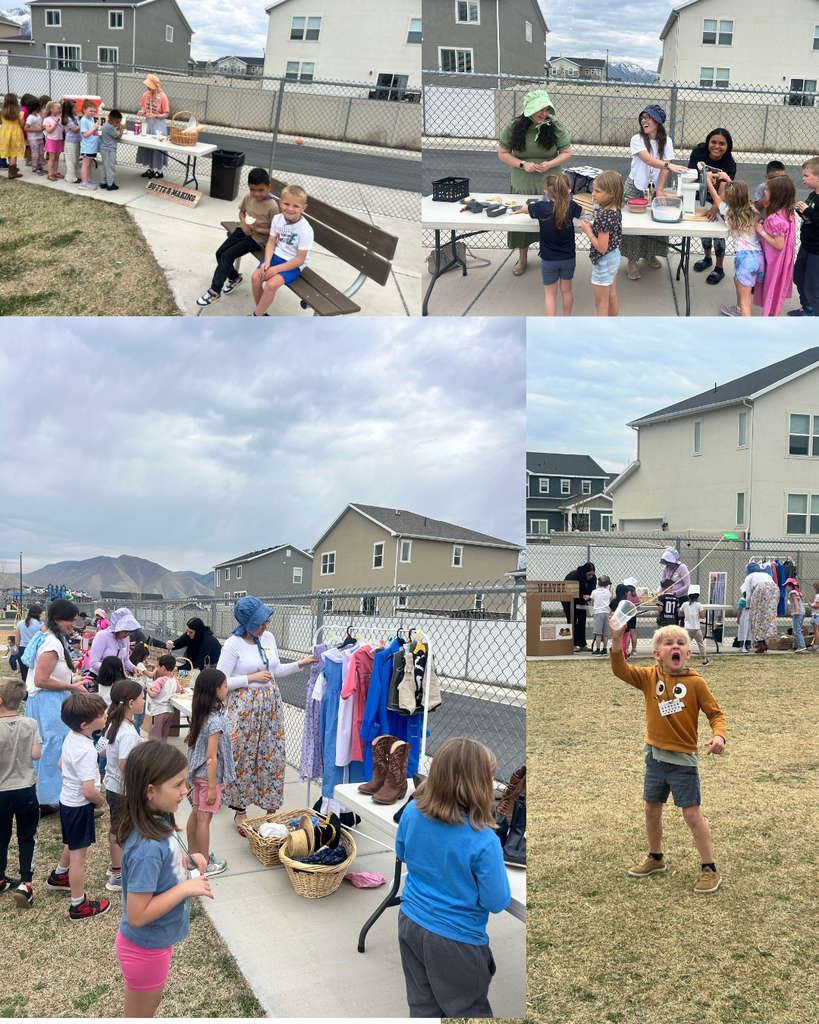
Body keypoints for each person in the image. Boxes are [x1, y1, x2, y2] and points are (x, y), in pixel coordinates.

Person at [395, 737, 510, 1018]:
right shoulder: (484, 840)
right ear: (479, 785)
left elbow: (403, 852)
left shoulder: (411, 811)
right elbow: (497, 901)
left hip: (410, 921)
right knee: (469, 1011)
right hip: (456, 942)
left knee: (423, 1007)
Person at [608, 619, 726, 894]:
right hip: (655, 759)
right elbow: (620, 670)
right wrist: (616, 640)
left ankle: (709, 868)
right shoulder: (650, 677)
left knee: (692, 814)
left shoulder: (696, 683)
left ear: (688, 653)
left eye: (681, 643)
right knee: (651, 808)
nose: (676, 646)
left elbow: (715, 714)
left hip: (683, 763)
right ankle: (655, 858)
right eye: (668, 643)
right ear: (657, 654)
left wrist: (719, 735)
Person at [115, 741, 212, 1018]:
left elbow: (162, 866)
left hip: (156, 943)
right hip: (145, 948)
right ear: (150, 791)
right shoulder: (146, 848)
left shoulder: (158, 819)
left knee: (150, 1005)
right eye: (179, 784)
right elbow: (137, 915)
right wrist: (185, 888)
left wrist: (186, 860)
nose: (186, 790)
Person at [216, 596, 316, 832]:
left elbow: (275, 670)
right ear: (246, 622)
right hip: (243, 709)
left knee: (271, 757)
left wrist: (301, 663)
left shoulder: (268, 637)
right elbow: (219, 681)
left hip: (270, 706)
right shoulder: (233, 644)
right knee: (243, 757)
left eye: (266, 621)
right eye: (260, 622)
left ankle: (271, 811)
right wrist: (250, 678)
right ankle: (241, 812)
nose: (265, 627)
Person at [497, 89, 572, 276]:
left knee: (552, 222)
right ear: (528, 109)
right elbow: (503, 153)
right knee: (523, 221)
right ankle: (522, 258)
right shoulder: (514, 126)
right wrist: (522, 164)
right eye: (540, 109)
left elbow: (566, 153)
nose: (544, 113)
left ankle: (552, 257)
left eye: (547, 109)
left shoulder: (554, 127)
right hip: (523, 183)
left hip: (551, 186)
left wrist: (549, 164)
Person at [23, 598, 89, 811]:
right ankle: (51, 798)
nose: (73, 623)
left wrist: (70, 683)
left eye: (74, 619)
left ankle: (44, 798)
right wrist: (72, 687)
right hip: (48, 701)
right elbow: (40, 680)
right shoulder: (51, 643)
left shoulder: (49, 637)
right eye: (69, 620)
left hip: (46, 700)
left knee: (46, 747)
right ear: (57, 620)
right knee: (53, 747)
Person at [50, 691, 111, 920]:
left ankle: (59, 876)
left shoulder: (73, 737)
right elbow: (88, 791)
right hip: (79, 805)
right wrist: (100, 800)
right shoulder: (85, 750)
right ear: (86, 724)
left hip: (67, 802)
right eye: (101, 714)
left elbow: (60, 764)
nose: (105, 716)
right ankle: (79, 905)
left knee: (73, 844)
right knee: (79, 858)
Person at [621, 105, 687, 281]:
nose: (644, 120)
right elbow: (647, 159)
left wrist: (660, 189)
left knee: (655, 223)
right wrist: (668, 165)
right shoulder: (637, 139)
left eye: (647, 117)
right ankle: (632, 261)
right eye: (642, 117)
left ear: (657, 120)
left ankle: (649, 255)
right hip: (636, 186)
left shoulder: (667, 141)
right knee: (635, 225)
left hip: (655, 187)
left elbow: (665, 167)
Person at [197, 168, 280, 307]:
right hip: (243, 230)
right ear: (248, 186)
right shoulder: (249, 197)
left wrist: (256, 229)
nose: (256, 194)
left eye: (261, 190)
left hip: (257, 239)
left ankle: (214, 291)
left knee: (227, 256)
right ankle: (235, 277)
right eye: (253, 189)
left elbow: (275, 231)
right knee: (220, 253)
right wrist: (244, 224)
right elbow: (242, 212)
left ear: (268, 187)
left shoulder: (272, 206)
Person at [185, 668, 235, 877]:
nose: (227, 690)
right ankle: (203, 863)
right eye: (225, 687)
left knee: (196, 813)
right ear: (216, 691)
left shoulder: (201, 713)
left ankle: (193, 855)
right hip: (208, 777)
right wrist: (213, 787)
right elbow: (211, 757)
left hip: (197, 774)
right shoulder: (215, 720)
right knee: (205, 819)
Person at [0, 678, 42, 909]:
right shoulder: (30, 723)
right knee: (27, 836)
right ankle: (26, 883)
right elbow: (36, 755)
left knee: (1, 835)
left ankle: (0, 876)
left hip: (1, 792)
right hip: (25, 789)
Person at [516, 173, 581, 315]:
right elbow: (581, 212)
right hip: (568, 258)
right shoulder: (571, 206)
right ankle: (566, 319)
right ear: (568, 191)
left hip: (548, 259)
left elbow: (524, 209)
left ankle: (551, 323)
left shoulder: (540, 207)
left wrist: (524, 207)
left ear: (546, 192)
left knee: (550, 294)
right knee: (567, 291)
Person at [102, 679, 145, 893]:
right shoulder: (127, 731)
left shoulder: (117, 723)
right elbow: (124, 764)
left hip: (112, 786)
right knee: (120, 830)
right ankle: (117, 874)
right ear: (130, 703)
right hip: (122, 790)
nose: (144, 700)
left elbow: (103, 750)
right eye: (141, 698)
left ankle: (116, 863)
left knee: (118, 827)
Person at [705, 174, 764, 317]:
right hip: (759, 257)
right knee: (737, 281)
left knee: (745, 302)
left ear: (728, 198)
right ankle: (737, 311)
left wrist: (708, 180)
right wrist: (727, 178)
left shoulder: (728, 211)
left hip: (744, 258)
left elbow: (714, 195)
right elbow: (738, 191)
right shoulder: (753, 210)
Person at [251, 184, 314, 316]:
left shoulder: (305, 230)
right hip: (276, 256)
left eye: (296, 206)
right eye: (286, 204)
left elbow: (299, 260)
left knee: (271, 285)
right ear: (280, 202)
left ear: (304, 208)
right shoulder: (277, 219)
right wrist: (267, 262)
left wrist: (275, 269)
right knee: (256, 278)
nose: (290, 209)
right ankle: (261, 313)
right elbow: (271, 242)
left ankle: (256, 316)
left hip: (293, 264)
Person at [688, 128, 737, 285]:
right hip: (701, 195)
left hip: (720, 200)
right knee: (705, 229)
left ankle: (719, 267)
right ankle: (708, 258)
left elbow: (723, 192)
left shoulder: (729, 163)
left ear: (728, 146)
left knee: (718, 232)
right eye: (713, 142)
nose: (717, 146)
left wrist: (714, 210)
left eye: (722, 144)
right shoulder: (698, 154)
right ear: (708, 142)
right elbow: (690, 176)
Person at [578, 170, 624, 316]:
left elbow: (602, 247)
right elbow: (608, 233)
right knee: (612, 296)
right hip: (614, 256)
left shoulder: (604, 216)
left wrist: (588, 231)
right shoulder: (615, 210)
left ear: (611, 193)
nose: (592, 194)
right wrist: (594, 226)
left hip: (604, 260)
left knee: (601, 305)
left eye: (597, 191)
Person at [752, 174, 797, 317]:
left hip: (774, 263)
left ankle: (770, 323)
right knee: (776, 292)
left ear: (777, 194)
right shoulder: (787, 213)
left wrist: (762, 231)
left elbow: (778, 245)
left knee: (770, 291)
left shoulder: (776, 218)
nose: (765, 192)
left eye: (767, 190)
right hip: (782, 262)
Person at [787, 157, 819, 317]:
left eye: (806, 176)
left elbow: (815, 216)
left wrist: (808, 212)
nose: (803, 178)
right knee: (798, 277)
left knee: (813, 287)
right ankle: (807, 308)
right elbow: (810, 218)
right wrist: (802, 211)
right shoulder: (813, 195)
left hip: (816, 252)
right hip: (805, 246)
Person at [88, 607, 141, 677]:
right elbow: (94, 663)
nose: (128, 634)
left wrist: (133, 668)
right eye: (126, 631)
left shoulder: (125, 638)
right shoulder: (102, 636)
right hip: (100, 677)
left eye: (130, 632)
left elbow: (125, 660)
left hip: (116, 678)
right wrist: (116, 671)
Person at [741, 563, 781, 654]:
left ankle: (759, 642)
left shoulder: (749, 577)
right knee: (768, 616)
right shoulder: (766, 574)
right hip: (774, 588)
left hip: (761, 588)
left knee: (757, 617)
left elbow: (748, 596)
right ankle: (766, 640)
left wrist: (748, 606)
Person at [136, 74, 170, 180]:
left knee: (157, 147)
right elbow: (144, 108)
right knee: (147, 145)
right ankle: (151, 168)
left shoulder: (163, 97)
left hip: (158, 124)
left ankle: (159, 170)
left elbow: (166, 114)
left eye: (150, 85)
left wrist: (156, 115)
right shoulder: (146, 95)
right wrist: (142, 112)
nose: (148, 87)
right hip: (147, 123)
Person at [562, 562, 596, 650]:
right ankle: (572, 644)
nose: (590, 577)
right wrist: (581, 596)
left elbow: (591, 590)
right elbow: (569, 591)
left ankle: (582, 644)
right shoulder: (574, 576)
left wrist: (589, 596)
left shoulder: (593, 578)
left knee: (582, 619)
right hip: (568, 600)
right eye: (589, 575)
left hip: (581, 601)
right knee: (572, 619)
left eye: (592, 575)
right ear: (585, 572)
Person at [146, 656, 179, 742]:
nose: (157, 668)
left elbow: (153, 695)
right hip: (169, 711)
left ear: (163, 668)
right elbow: (180, 689)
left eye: (157, 666)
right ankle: (163, 753)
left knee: (155, 736)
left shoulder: (160, 680)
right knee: (164, 736)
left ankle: (155, 754)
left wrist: (148, 690)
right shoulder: (174, 680)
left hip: (158, 711)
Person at [677, 586, 712, 667]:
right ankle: (704, 659)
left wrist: (687, 614)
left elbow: (680, 614)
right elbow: (703, 616)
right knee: (700, 644)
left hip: (687, 628)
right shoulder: (698, 605)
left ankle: (681, 659)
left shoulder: (685, 604)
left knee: (685, 644)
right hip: (696, 628)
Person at [14, 604, 43, 686]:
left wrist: (19, 650)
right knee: (34, 674)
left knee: (24, 674)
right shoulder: (41, 625)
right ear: (39, 614)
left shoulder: (20, 623)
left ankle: (25, 694)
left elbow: (17, 640)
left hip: (23, 649)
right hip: (35, 651)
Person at [0, 93, 25, 179]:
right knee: (14, 152)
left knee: (9, 150)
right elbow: (22, 124)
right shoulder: (19, 113)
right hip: (15, 134)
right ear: (15, 101)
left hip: (4, 134)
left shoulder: (1, 112)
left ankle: (12, 166)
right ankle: (12, 172)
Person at [100, 109, 124, 191]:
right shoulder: (110, 127)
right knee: (110, 167)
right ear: (110, 120)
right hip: (109, 150)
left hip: (104, 148)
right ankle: (110, 184)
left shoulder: (107, 124)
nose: (118, 124)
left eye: (119, 122)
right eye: (117, 123)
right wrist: (122, 129)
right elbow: (118, 136)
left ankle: (103, 182)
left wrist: (117, 127)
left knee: (105, 167)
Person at [79, 100, 100, 191]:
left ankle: (89, 179)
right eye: (90, 111)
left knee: (90, 163)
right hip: (87, 146)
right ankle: (84, 183)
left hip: (92, 146)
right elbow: (84, 134)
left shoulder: (90, 119)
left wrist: (96, 128)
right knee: (85, 164)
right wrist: (94, 128)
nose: (93, 113)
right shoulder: (83, 121)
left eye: (94, 111)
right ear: (84, 110)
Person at [42, 100, 65, 181]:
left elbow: (63, 129)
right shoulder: (47, 119)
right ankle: (50, 174)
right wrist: (55, 123)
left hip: (59, 140)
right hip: (52, 140)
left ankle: (55, 172)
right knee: (52, 158)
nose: (60, 109)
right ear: (52, 109)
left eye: (60, 108)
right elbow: (48, 130)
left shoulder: (60, 118)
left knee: (57, 157)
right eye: (58, 108)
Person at [591, 575, 613, 654]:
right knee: (605, 633)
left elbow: (592, 603)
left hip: (598, 612)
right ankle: (604, 648)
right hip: (606, 613)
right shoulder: (608, 592)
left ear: (598, 583)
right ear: (607, 585)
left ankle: (597, 648)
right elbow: (610, 601)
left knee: (598, 633)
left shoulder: (594, 592)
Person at [784, 579, 806, 652]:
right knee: (795, 629)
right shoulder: (796, 592)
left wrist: (796, 611)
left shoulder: (792, 592)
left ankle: (801, 645)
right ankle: (795, 646)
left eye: (787, 586)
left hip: (798, 613)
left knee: (796, 630)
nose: (786, 588)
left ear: (791, 586)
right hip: (800, 612)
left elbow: (796, 602)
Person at [62, 99, 81, 183]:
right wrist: (82, 123)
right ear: (69, 109)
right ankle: (70, 177)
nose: (76, 109)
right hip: (70, 142)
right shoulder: (68, 119)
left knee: (76, 160)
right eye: (75, 108)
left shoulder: (75, 117)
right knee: (71, 160)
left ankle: (74, 176)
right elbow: (74, 129)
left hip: (77, 141)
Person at [24, 97, 44, 175]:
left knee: (41, 152)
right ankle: (34, 168)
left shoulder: (38, 116)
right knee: (35, 153)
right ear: (36, 108)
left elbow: (39, 124)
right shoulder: (30, 117)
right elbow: (26, 128)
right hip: (33, 138)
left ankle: (40, 167)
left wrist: (42, 127)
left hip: (40, 137)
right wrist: (37, 130)